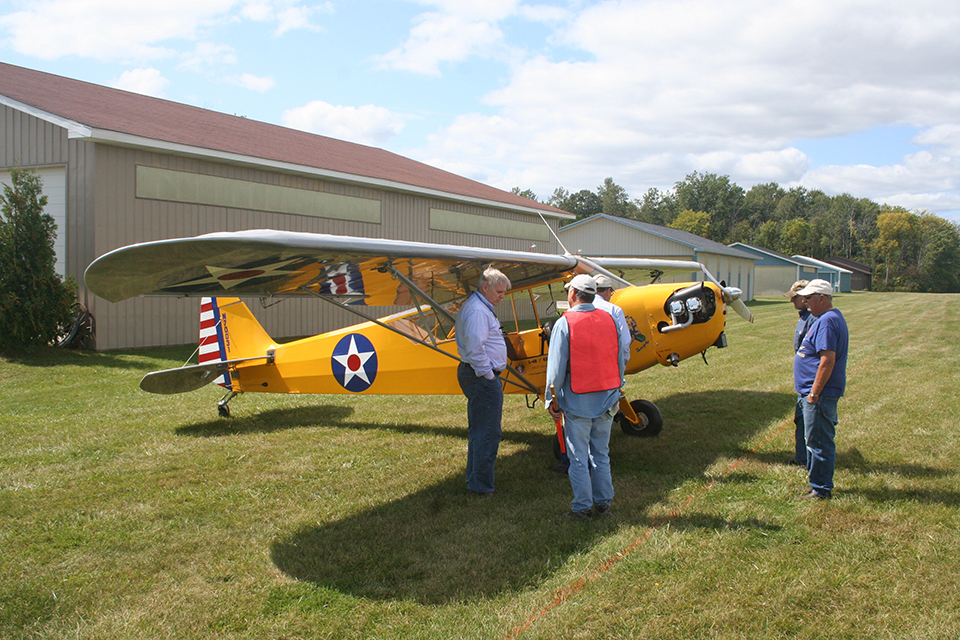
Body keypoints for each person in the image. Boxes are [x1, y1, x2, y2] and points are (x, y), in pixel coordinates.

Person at [545, 274, 629, 520]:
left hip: (578, 402)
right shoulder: (610, 319)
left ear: (572, 294)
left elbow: (556, 369)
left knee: (578, 458)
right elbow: (618, 360)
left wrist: (552, 400)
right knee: (601, 454)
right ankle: (603, 502)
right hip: (606, 399)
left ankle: (582, 507)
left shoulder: (565, 323)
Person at [456, 267, 510, 495]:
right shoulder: (478, 311)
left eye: (504, 293)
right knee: (488, 432)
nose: (502, 296)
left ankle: (475, 479)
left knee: (480, 430)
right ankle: (481, 486)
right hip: (481, 378)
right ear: (485, 287)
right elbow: (476, 348)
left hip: (479, 376)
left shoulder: (479, 307)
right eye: (499, 291)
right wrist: (489, 376)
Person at [793, 279, 849, 500]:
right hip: (814, 393)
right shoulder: (825, 318)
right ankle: (816, 482)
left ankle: (821, 489)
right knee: (813, 440)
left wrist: (814, 393)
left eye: (809, 298)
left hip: (819, 395)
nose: (805, 302)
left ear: (822, 298)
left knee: (819, 441)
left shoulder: (827, 321)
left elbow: (827, 361)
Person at [786, 279, 814, 466]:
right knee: (800, 419)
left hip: (810, 382)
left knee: (808, 422)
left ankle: (807, 460)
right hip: (803, 381)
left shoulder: (814, 320)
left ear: (804, 298)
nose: (791, 301)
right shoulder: (803, 317)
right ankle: (802, 458)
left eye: (794, 297)